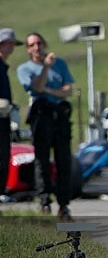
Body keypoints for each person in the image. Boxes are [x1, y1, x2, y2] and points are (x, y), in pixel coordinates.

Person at [16, 32, 76, 220]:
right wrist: (45, 69)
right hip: (41, 116)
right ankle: (44, 201)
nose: (37, 48)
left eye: (39, 43)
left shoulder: (60, 64)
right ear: (28, 49)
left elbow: (68, 91)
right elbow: (37, 87)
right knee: (41, 160)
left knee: (63, 160)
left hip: (59, 116)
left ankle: (64, 204)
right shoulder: (25, 69)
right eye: (32, 45)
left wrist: (49, 91)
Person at [0, 28, 24, 194]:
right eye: (6, 44)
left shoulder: (3, 66)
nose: (10, 48)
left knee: (3, 160)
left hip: (3, 119)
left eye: (12, 44)